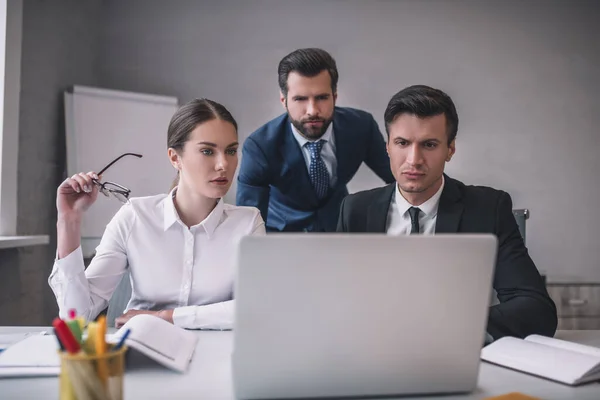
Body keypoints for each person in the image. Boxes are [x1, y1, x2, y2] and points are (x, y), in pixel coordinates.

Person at [336, 85, 557, 340]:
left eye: (429, 145)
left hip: (455, 352)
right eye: (402, 143)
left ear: (450, 149)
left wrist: (452, 325)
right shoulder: (354, 210)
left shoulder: (488, 208)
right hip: (373, 354)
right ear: (387, 147)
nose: (413, 159)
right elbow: (339, 302)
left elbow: (537, 310)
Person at [49, 98, 265, 330]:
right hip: (141, 352)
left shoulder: (248, 222)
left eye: (231, 151)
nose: (223, 164)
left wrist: (167, 317)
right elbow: (75, 317)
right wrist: (68, 220)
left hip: (216, 356)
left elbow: (256, 308)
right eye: (207, 151)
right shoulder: (135, 217)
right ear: (175, 158)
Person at [236, 48, 394, 232]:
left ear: (334, 97)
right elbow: (247, 222)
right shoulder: (260, 147)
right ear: (284, 100)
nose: (312, 110)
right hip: (281, 236)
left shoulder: (360, 127)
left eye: (321, 98)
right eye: (300, 99)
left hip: (340, 231)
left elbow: (399, 176)